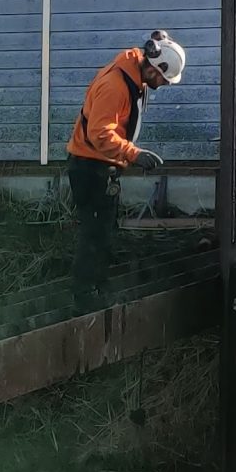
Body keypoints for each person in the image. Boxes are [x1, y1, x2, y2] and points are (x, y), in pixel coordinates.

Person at [67, 29, 184, 302]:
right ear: (153, 68)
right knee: (94, 236)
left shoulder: (132, 76)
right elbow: (100, 134)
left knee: (103, 234)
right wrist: (133, 154)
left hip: (100, 166)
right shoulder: (116, 86)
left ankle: (98, 288)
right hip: (90, 167)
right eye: (164, 80)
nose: (164, 85)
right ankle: (84, 298)